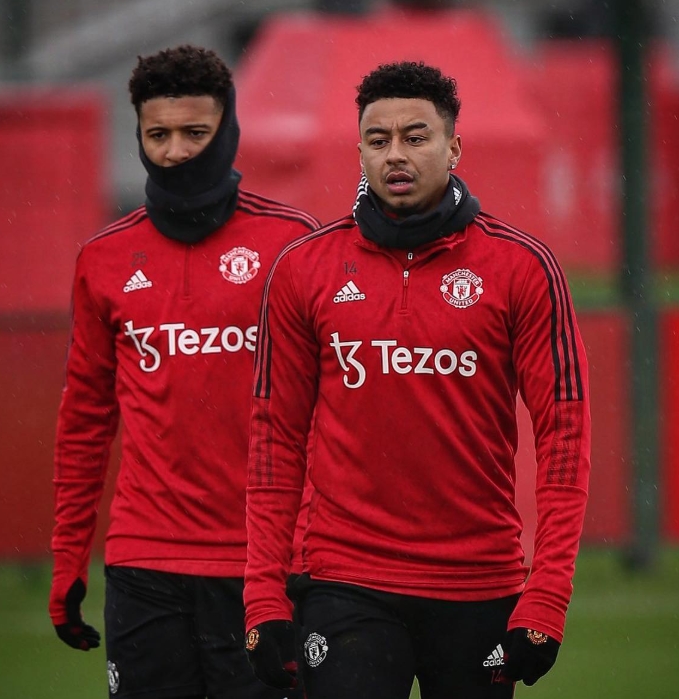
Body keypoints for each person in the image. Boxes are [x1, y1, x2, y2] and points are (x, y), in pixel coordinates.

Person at [243, 60, 591, 699]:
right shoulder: (303, 268)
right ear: (360, 153)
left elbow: (564, 437)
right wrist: (264, 592)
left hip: (478, 584)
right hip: (345, 581)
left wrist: (546, 596)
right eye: (378, 140)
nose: (395, 155)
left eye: (415, 136)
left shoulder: (522, 266)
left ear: (454, 148)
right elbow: (274, 440)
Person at [48, 44, 319, 699]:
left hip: (264, 566)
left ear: (227, 130)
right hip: (144, 564)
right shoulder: (103, 258)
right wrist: (68, 558)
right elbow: (84, 421)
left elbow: (335, 417)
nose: (175, 151)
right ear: (139, 136)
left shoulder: (293, 245)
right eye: (158, 135)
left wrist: (311, 550)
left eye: (195, 133)